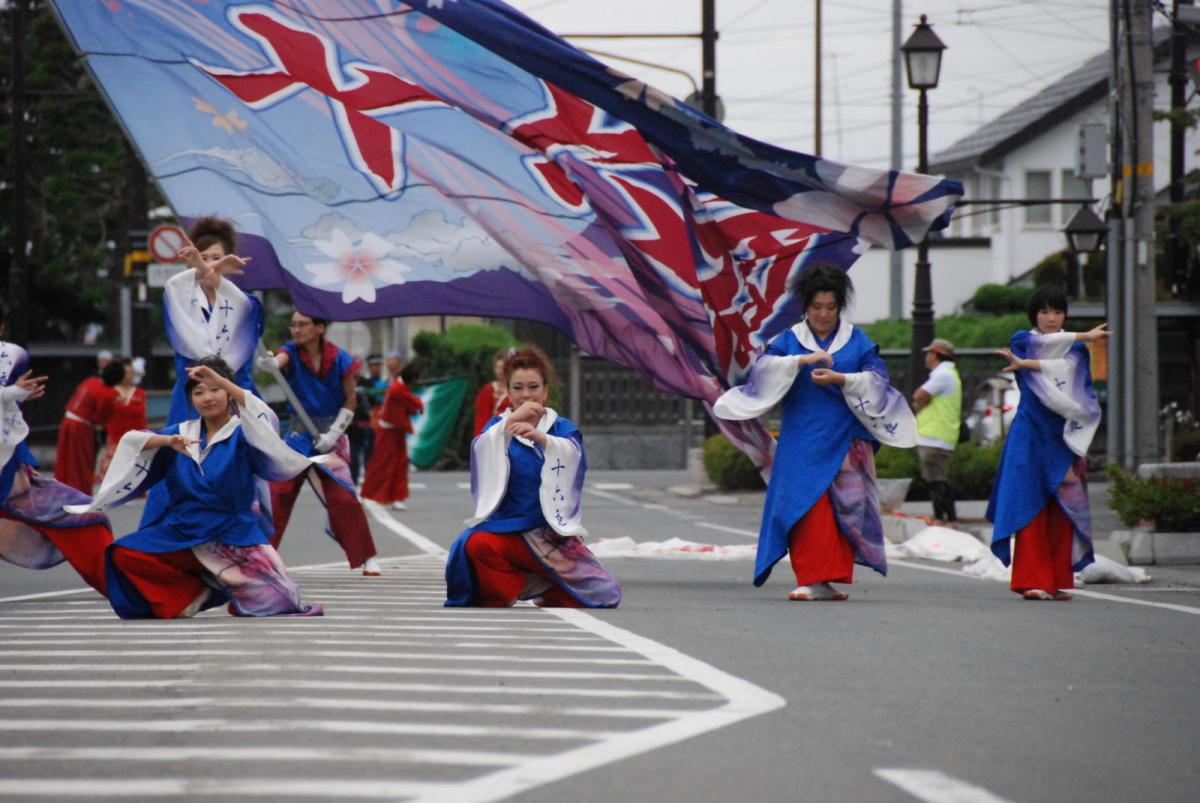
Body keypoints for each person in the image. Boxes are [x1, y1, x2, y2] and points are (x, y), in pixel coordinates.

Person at [713, 264, 917, 601]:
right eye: (816, 306)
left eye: (831, 307)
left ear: (840, 306)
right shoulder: (790, 339)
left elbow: (878, 380)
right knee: (806, 506)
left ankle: (828, 578)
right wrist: (799, 362)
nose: (823, 314)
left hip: (846, 437)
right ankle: (810, 576)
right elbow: (762, 370)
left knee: (844, 508)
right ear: (806, 306)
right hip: (801, 438)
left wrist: (843, 379)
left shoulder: (858, 340)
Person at [65, 356, 323, 619]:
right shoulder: (181, 433)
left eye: (215, 389)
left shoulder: (245, 432)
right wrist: (166, 442)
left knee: (279, 601)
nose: (208, 397)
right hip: (184, 532)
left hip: (233, 536)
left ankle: (229, 586)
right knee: (122, 555)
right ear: (190, 399)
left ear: (229, 392)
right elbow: (131, 442)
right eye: (199, 392)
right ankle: (195, 593)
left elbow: (265, 417)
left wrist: (223, 379)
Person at [445, 346, 620, 608]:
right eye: (517, 387)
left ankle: (546, 585)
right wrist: (508, 425)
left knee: (604, 593)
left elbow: (573, 458)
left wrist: (544, 440)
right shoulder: (496, 429)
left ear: (545, 390)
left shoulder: (562, 429)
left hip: (549, 535)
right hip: (507, 530)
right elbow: (480, 451)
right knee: (473, 544)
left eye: (533, 386)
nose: (526, 394)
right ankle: (513, 587)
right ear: (508, 391)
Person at [987, 286, 1112, 601]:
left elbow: (1082, 391)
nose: (1051, 318)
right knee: (1030, 505)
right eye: (1044, 312)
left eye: (1057, 312)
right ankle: (1031, 579)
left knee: (1062, 508)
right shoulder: (1022, 341)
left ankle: (1055, 579)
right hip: (1029, 433)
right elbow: (1043, 348)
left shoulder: (1076, 350)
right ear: (1034, 316)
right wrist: (1083, 335)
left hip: (1064, 434)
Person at [140, 216, 264, 531]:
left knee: (235, 475)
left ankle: (238, 543)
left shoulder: (243, 303)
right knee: (181, 466)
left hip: (234, 400)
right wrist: (207, 271)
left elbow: (235, 358)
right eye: (203, 258)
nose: (209, 266)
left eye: (217, 259)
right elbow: (194, 344)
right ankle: (168, 542)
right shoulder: (182, 300)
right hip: (192, 400)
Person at [258, 310, 382, 576]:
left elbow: (350, 400)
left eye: (302, 324)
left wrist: (334, 435)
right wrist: (271, 364)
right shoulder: (290, 352)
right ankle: (263, 557)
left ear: (320, 328)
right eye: (293, 325)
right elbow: (280, 360)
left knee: (343, 497)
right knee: (278, 494)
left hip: (330, 436)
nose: (296, 329)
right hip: (298, 436)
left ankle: (366, 556)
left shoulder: (339, 358)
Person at [0, 309, 114, 594]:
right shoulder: (92, 386)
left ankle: (120, 582)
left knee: (86, 515)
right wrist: (9, 395)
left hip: (12, 462)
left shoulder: (12, 357)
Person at [361, 360, 424, 511]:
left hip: (396, 431)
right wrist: (418, 404)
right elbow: (415, 404)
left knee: (399, 465)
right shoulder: (397, 389)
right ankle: (373, 494)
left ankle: (395, 496)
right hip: (388, 432)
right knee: (382, 465)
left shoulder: (398, 386)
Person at [912, 337, 962, 527]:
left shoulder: (943, 375)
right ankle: (944, 518)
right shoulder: (949, 374)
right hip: (939, 435)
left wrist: (918, 403)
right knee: (937, 479)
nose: (926, 356)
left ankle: (944, 519)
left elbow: (919, 396)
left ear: (936, 354)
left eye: (929, 352)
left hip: (935, 436)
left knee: (937, 480)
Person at [53, 356, 122, 493]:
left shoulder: (90, 381)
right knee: (81, 462)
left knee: (64, 459)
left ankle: (61, 489)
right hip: (81, 426)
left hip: (67, 421)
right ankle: (80, 491)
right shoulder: (109, 393)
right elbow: (102, 418)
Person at [96, 357, 148, 481]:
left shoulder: (139, 392)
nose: (127, 376)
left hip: (136, 440)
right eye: (125, 372)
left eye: (130, 372)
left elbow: (140, 412)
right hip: (115, 439)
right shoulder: (110, 391)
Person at [349, 354, 385, 484]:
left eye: (357, 367)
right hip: (347, 426)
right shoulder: (343, 382)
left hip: (364, 426)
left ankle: (368, 482)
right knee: (351, 457)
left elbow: (375, 402)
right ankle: (353, 482)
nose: (355, 370)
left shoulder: (366, 383)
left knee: (366, 456)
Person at [473, 348, 512, 436]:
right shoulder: (488, 389)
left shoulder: (515, 390)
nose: (500, 371)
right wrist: (480, 438)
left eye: (502, 368)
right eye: (497, 367)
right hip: (491, 434)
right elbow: (481, 418)